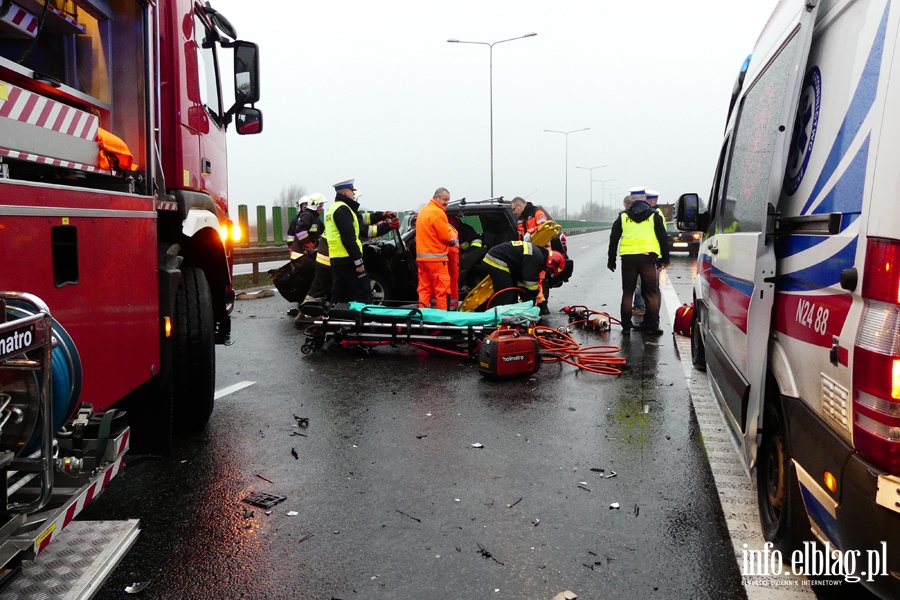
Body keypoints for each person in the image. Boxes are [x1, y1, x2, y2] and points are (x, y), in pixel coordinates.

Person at [607, 193, 669, 335]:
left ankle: (626, 327)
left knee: (628, 292)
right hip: (648, 259)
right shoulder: (654, 215)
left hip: (628, 259)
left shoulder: (623, 216)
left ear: (631, 203)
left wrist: (611, 260)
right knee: (651, 293)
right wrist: (665, 259)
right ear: (646, 203)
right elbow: (662, 238)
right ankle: (652, 326)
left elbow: (614, 239)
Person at [324, 179, 373, 304]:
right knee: (362, 291)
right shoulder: (343, 209)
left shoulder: (333, 209)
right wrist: (358, 262)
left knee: (340, 293)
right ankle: (363, 320)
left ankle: (336, 319)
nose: (353, 193)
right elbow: (348, 238)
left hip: (336, 258)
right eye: (352, 190)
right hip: (348, 258)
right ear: (345, 192)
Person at [483, 240, 566, 308]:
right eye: (550, 270)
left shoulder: (538, 254)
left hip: (501, 259)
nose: (547, 271)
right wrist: (533, 299)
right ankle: (494, 316)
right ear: (550, 263)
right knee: (507, 295)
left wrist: (526, 297)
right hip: (497, 259)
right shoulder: (536, 258)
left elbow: (521, 280)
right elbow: (529, 281)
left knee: (513, 294)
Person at [416, 187, 458, 310]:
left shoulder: (423, 211)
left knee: (424, 289)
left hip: (422, 258)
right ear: (436, 198)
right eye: (445, 199)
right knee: (441, 290)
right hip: (436, 259)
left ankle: (422, 314)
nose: (446, 203)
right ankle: (441, 317)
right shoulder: (438, 212)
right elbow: (446, 236)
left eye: (448, 200)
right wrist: (454, 240)